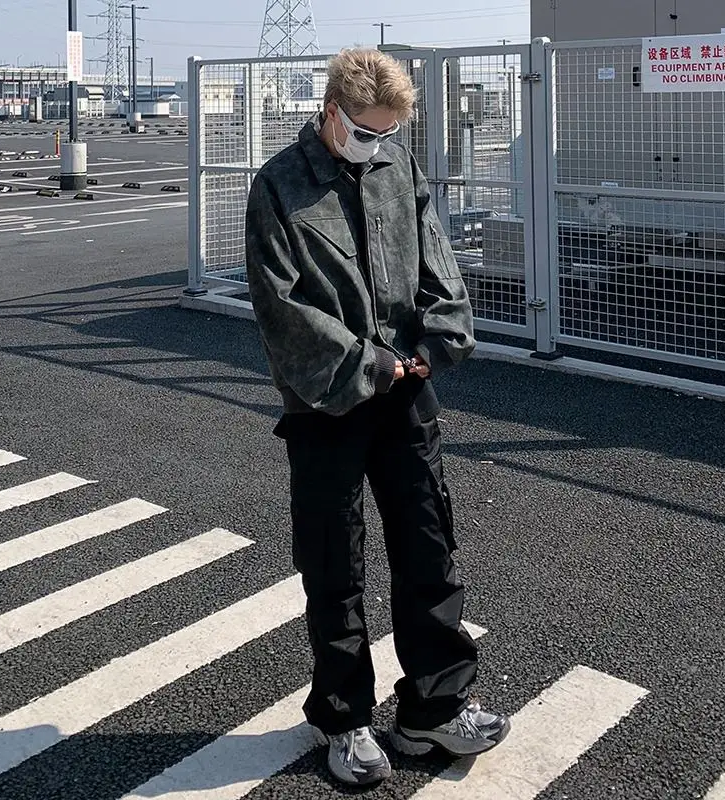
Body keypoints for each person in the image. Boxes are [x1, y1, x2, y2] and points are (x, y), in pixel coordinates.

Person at [244, 47, 510, 786]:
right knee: (335, 561)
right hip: (326, 400)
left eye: (388, 132)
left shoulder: (400, 170)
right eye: (364, 130)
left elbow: (439, 264)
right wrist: (370, 363)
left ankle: (434, 707)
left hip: (406, 390)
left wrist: (436, 338)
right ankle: (344, 716)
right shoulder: (280, 185)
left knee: (429, 543)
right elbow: (279, 307)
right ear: (331, 112)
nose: (376, 144)